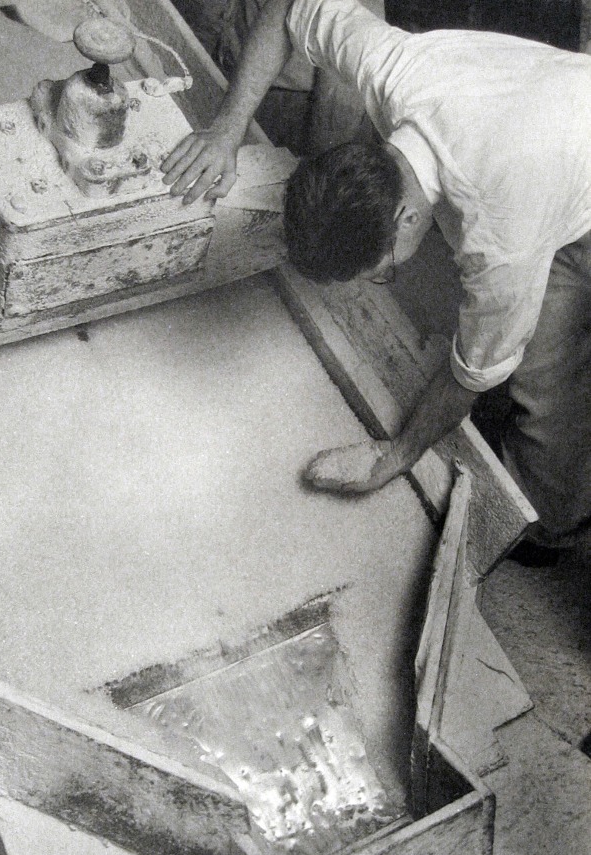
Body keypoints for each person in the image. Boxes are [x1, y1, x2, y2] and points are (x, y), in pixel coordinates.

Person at [161, 0, 591, 563]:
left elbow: (473, 372)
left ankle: (547, 528)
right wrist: (228, 126)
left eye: (380, 268)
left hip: (561, 164)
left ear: (407, 218)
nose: (385, 278)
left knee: (544, 375)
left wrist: (394, 456)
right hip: (554, 114)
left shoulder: (499, 236)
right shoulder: (392, 68)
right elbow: (290, 9)